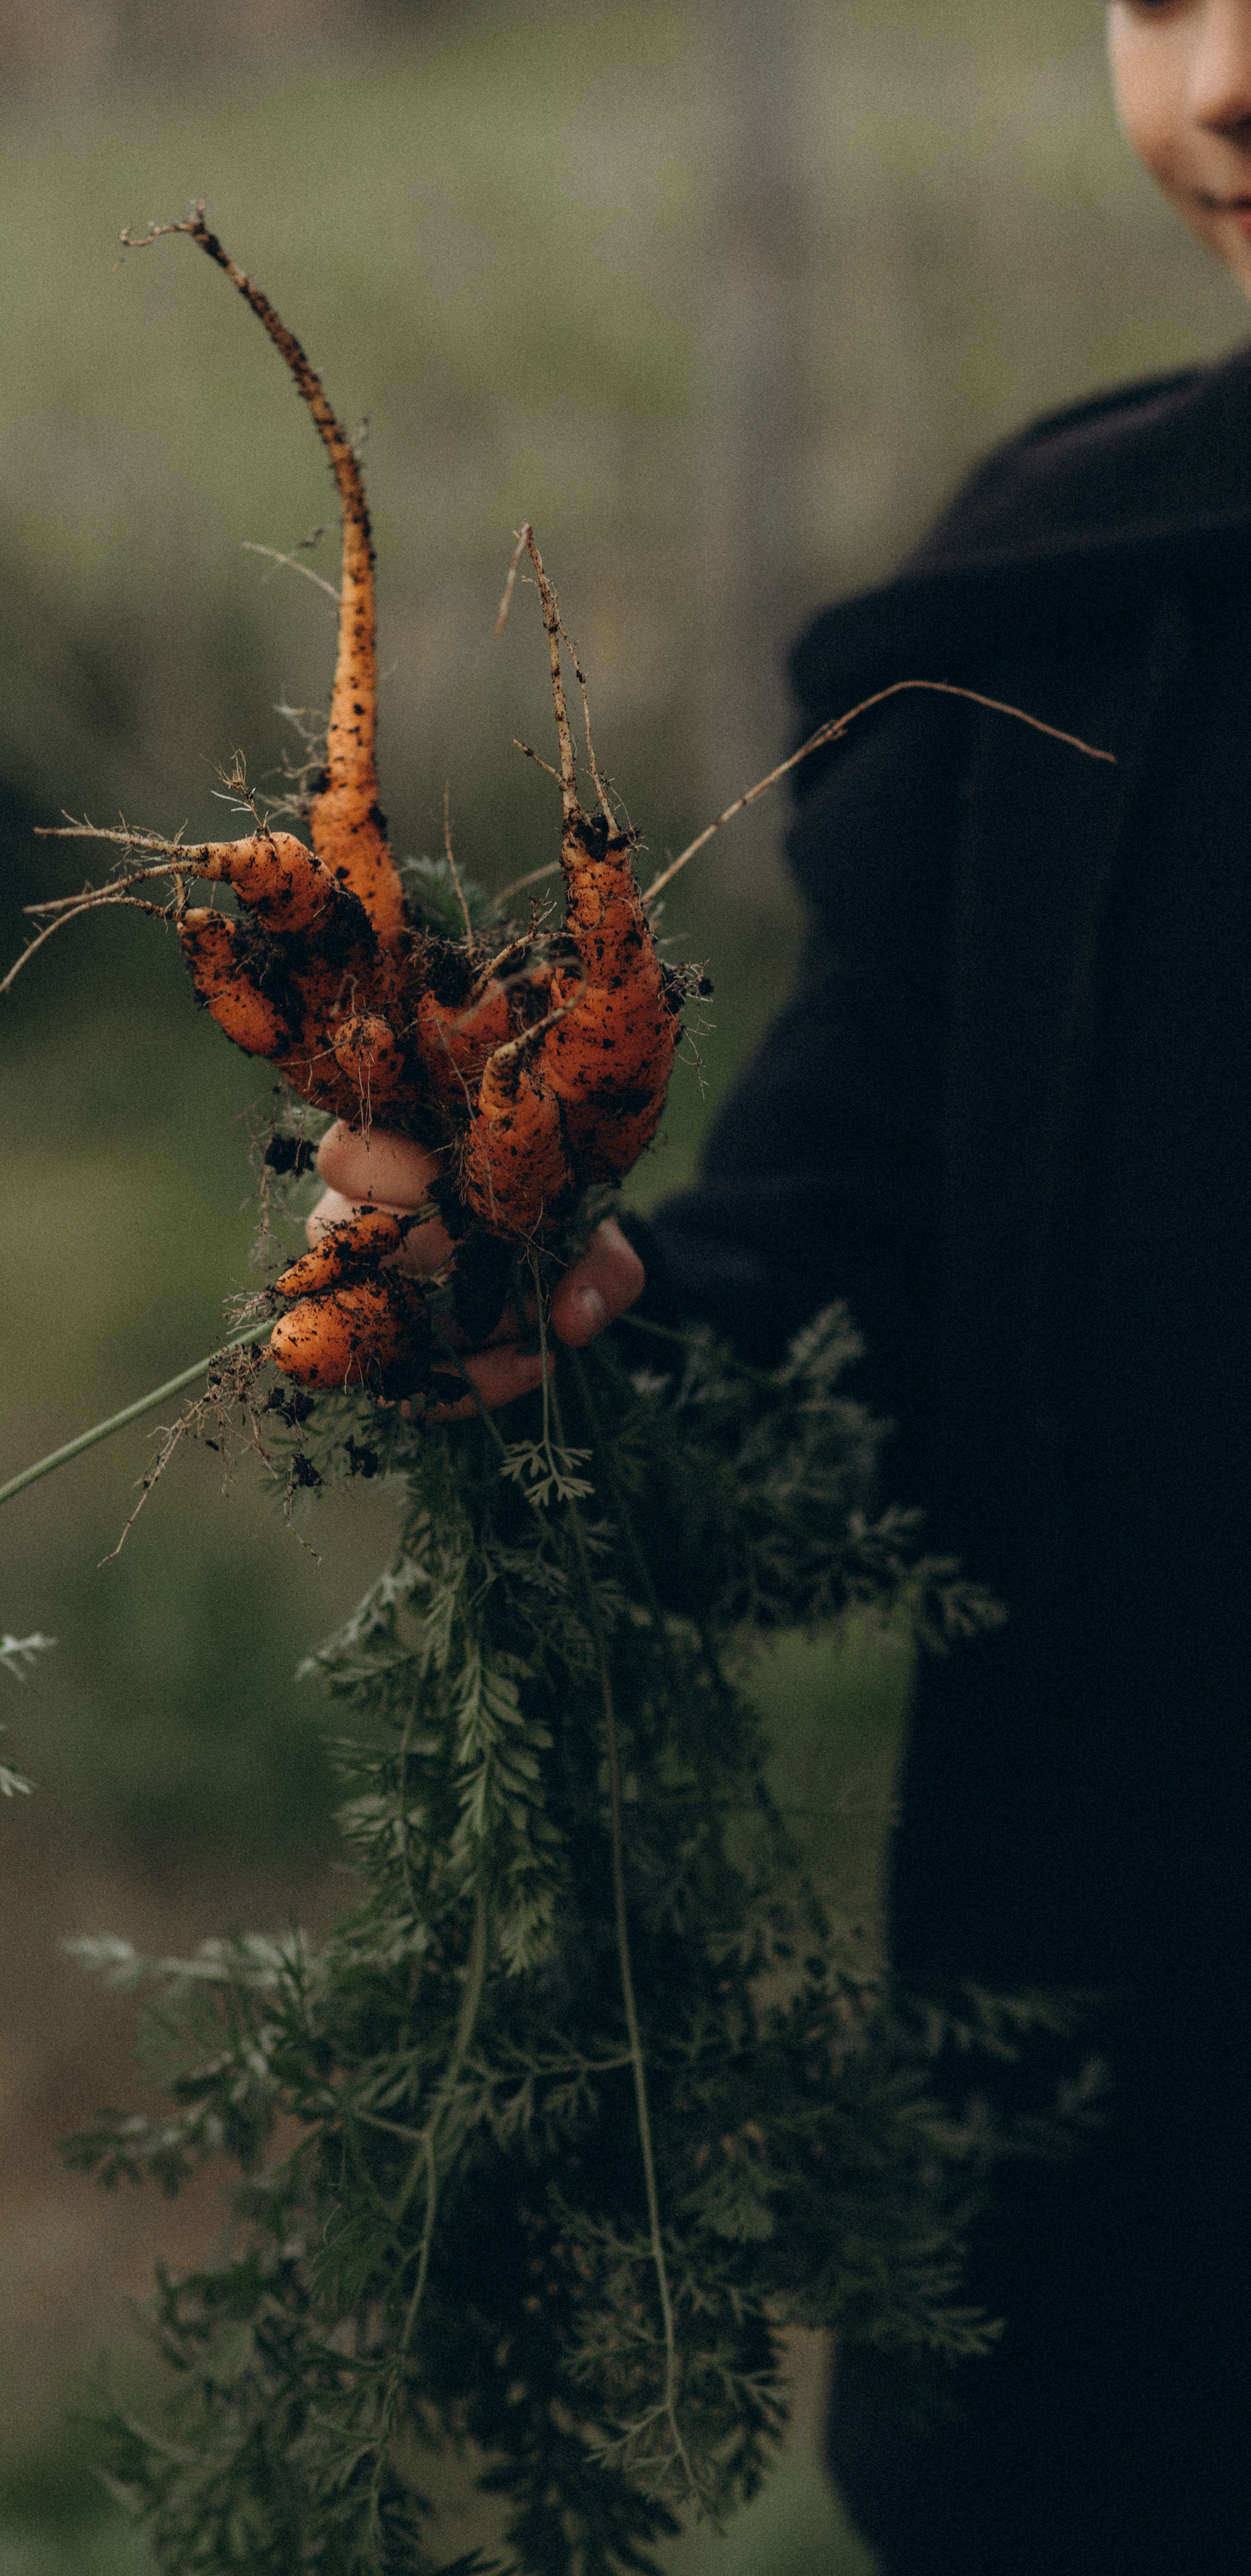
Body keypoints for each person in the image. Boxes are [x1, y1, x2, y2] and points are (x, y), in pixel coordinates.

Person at [303, 5, 1251, 2565]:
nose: (1223, 85)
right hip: (1129, 2201)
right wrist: (568, 1300)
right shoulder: (1053, 623)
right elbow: (851, 1305)